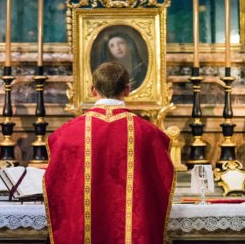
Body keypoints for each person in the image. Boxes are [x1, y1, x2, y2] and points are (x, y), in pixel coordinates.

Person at [44, 62, 175, 244]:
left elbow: (57, 187)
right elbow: (161, 181)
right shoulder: (148, 133)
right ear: (128, 90)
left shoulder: (65, 135)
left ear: (92, 90)